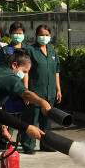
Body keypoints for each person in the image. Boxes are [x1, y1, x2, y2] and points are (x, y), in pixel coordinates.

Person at [21, 25, 62, 155]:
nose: (43, 37)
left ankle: (46, 144)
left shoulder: (52, 50)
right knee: (31, 119)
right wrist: (25, 90)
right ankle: (28, 145)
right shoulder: (30, 50)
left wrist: (58, 89)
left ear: (49, 36)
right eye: (41, 35)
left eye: (46, 35)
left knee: (47, 120)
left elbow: (56, 71)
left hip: (50, 92)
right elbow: (25, 71)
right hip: (35, 92)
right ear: (36, 36)